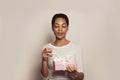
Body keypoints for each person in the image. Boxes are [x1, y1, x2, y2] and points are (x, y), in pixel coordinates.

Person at [40, 13, 84, 80]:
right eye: (56, 26)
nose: (60, 29)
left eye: (63, 26)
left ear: (67, 28)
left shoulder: (76, 47)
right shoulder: (47, 48)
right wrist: (44, 60)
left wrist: (74, 73)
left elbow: (81, 77)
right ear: (52, 28)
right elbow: (44, 77)